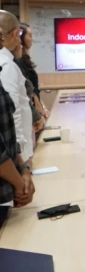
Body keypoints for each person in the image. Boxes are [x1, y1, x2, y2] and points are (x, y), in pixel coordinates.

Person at [0, 27, 35, 208]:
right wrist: (20, 182)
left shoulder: (5, 65)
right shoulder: (6, 67)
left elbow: (9, 128)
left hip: (12, 176)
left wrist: (23, 167)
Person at [0, 11, 34, 162]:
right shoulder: (6, 65)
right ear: (14, 33)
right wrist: (19, 159)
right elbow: (13, 112)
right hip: (15, 155)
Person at [11, 41, 44, 142]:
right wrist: (36, 115)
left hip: (27, 118)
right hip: (20, 123)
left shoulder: (19, 61)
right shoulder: (12, 64)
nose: (21, 46)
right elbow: (23, 96)